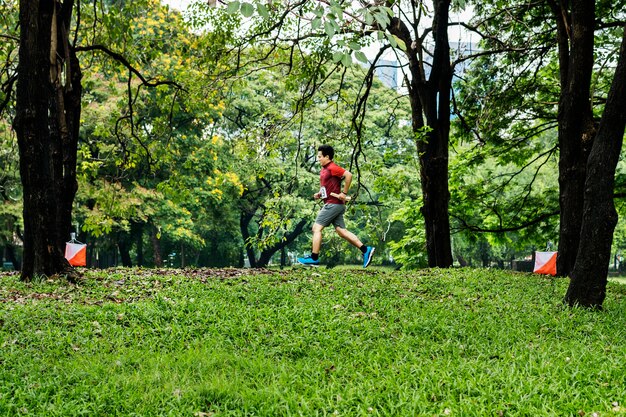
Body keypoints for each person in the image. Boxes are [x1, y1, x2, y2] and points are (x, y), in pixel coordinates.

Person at [297, 144, 375, 268]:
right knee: (341, 231)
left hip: (333, 204)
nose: (318, 159)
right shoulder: (324, 169)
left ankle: (314, 258)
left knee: (316, 228)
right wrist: (320, 194)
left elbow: (348, 175)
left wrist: (344, 193)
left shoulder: (332, 167)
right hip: (334, 204)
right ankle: (366, 250)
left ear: (327, 157)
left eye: (320, 157)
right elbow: (327, 186)